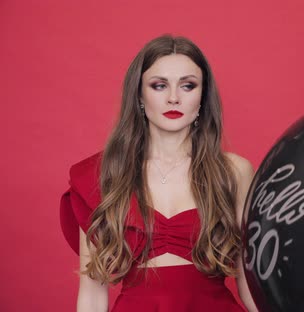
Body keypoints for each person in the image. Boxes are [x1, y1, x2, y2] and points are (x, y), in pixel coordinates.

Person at [59, 34, 258, 312]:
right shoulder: (100, 176)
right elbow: (92, 296)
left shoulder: (234, 172)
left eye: (188, 85)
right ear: (139, 95)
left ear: (203, 96)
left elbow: (250, 283)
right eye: (159, 85)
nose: (173, 98)